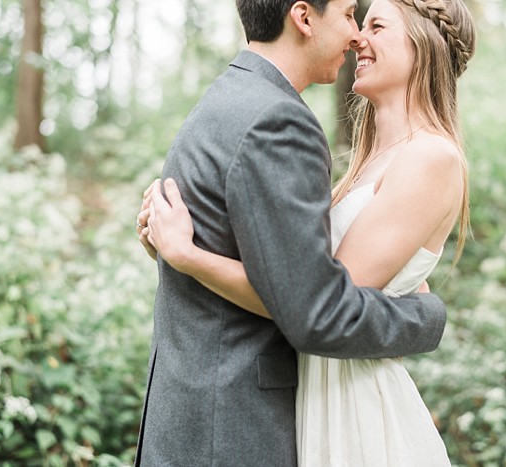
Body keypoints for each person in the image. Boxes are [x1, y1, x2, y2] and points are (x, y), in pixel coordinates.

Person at [139, 0, 475, 465]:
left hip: (354, 404)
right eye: (356, 18)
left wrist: (189, 255)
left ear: (424, 47)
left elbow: (314, 305)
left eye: (376, 24)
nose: (358, 36)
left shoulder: (430, 159)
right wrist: (420, 313)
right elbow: (308, 298)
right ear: (302, 17)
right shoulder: (350, 160)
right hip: (310, 394)